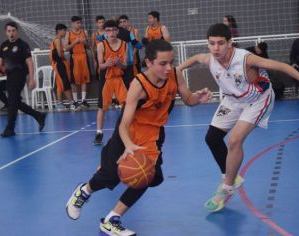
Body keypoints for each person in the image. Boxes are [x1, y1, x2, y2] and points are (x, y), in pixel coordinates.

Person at [65, 39, 212, 235]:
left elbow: (187, 99)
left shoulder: (175, 75)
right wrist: (128, 146)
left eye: (171, 62)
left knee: (146, 176)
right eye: (163, 63)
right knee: (109, 176)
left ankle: (111, 220)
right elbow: (124, 123)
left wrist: (197, 99)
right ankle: (83, 192)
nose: (169, 67)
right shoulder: (139, 84)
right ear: (149, 63)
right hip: (128, 133)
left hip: (153, 134)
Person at [178, 23, 299, 212]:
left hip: (258, 99)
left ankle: (226, 188)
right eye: (211, 44)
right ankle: (232, 175)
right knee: (212, 138)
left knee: (234, 140)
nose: (216, 48)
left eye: (220, 43)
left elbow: (280, 65)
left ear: (230, 43)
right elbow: (194, 58)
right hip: (232, 100)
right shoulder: (209, 58)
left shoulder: (245, 59)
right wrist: (178, 68)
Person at [0, 21, 46, 137]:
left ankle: (10, 128)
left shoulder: (22, 44)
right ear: (6, 32)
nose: (11, 33)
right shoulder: (4, 45)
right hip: (10, 76)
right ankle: (38, 115)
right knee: (14, 102)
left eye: (13, 31)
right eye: (9, 31)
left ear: (17, 31)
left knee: (12, 101)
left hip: (20, 75)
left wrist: (32, 78)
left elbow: (30, 62)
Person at [93, 20, 128, 146]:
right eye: (108, 30)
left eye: (114, 30)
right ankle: (99, 132)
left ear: (117, 31)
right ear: (104, 32)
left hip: (120, 78)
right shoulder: (101, 45)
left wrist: (119, 63)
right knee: (102, 107)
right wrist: (106, 64)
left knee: (126, 105)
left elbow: (125, 66)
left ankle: (125, 131)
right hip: (106, 79)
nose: (111, 33)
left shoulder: (124, 44)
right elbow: (100, 66)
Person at [50, 23, 78, 111]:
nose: (66, 32)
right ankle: (71, 103)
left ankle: (60, 103)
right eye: (64, 30)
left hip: (58, 63)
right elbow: (59, 53)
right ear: (60, 31)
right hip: (59, 63)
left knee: (61, 84)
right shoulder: (57, 40)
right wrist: (63, 57)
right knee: (65, 83)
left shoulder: (57, 40)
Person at [66, 16, 91, 108]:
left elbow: (89, 46)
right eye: (77, 23)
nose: (79, 25)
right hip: (74, 57)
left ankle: (83, 100)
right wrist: (74, 42)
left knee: (85, 79)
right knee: (73, 80)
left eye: (80, 23)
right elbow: (66, 48)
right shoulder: (68, 34)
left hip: (84, 57)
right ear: (72, 23)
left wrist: (85, 43)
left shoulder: (85, 32)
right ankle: (75, 101)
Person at [91, 15, 106, 80]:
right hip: (98, 56)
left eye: (103, 22)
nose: (101, 24)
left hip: (107, 54)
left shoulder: (108, 32)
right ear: (96, 24)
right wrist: (94, 60)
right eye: (100, 23)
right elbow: (92, 47)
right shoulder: (94, 34)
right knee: (99, 73)